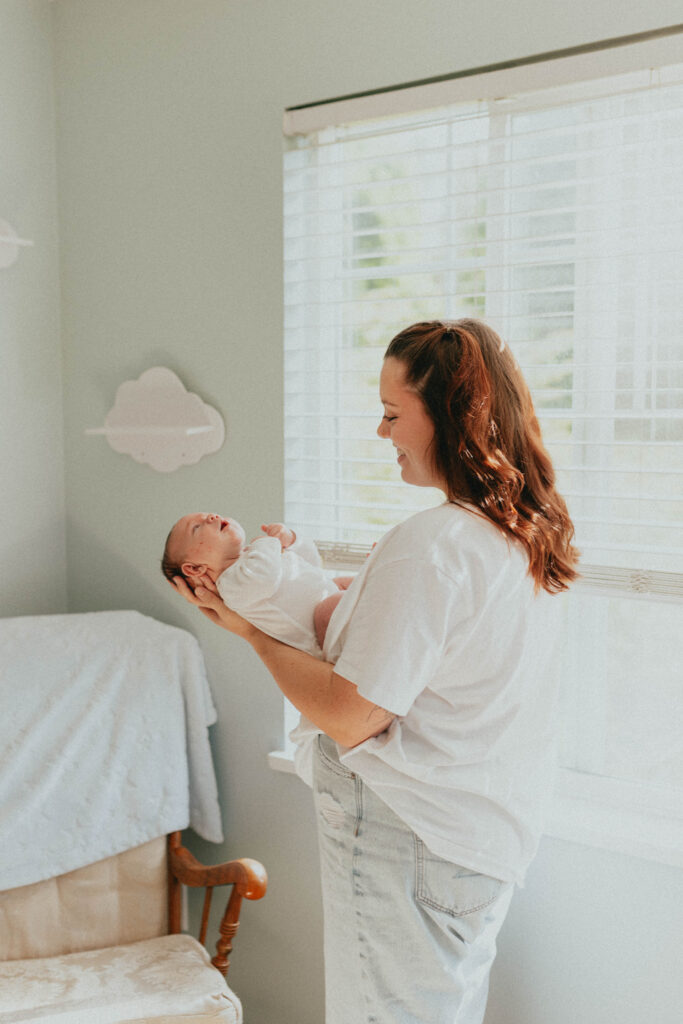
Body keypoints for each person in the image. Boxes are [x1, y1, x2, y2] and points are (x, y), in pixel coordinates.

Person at [170, 318, 579, 1024]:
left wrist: (248, 634)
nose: (381, 432)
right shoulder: (518, 533)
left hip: (407, 834)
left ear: (450, 416)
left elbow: (353, 714)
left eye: (392, 414)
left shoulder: (431, 544)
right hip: (478, 832)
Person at [161, 516, 349, 655]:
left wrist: (292, 540)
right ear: (194, 568)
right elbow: (264, 579)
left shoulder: (255, 557)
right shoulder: (231, 586)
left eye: (208, 514)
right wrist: (269, 542)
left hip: (332, 601)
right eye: (196, 528)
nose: (211, 517)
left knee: (344, 582)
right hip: (323, 635)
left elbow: (311, 566)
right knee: (330, 605)